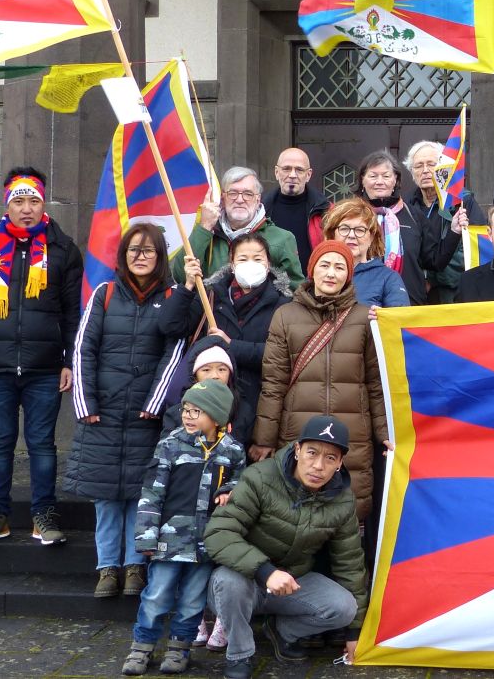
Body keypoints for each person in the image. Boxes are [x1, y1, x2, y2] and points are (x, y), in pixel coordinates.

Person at [0, 167, 83, 547]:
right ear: (7, 204)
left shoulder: (62, 248)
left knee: (42, 444)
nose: (26, 208)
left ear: (44, 202)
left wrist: (69, 361)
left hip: (44, 367)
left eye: (34, 201)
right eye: (19, 201)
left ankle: (44, 515)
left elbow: (72, 313)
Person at [66, 223, 189, 598]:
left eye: (149, 251)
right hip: (102, 414)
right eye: (134, 250)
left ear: (160, 257)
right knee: (106, 499)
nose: (140, 257)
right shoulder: (104, 295)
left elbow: (174, 355)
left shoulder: (171, 298)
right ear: (123, 255)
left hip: (143, 417)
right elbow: (83, 350)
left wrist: (154, 405)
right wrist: (85, 404)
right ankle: (107, 568)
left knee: (140, 495)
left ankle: (136, 565)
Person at [205, 415, 367, 678]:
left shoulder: (342, 500)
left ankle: (282, 632)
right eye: (312, 453)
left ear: (340, 463)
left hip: (294, 583)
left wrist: (354, 632)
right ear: (297, 449)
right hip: (245, 579)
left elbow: (349, 563)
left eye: (330, 458)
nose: (318, 466)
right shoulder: (259, 477)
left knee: (343, 607)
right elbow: (219, 532)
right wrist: (265, 571)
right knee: (227, 582)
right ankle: (239, 654)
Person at [252, 240, 390, 525]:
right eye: (325, 265)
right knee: (295, 514)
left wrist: (385, 432)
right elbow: (273, 383)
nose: (331, 273)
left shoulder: (365, 318)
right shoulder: (285, 316)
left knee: (349, 517)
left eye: (339, 267)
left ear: (348, 275)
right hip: (298, 429)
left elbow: (377, 384)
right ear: (312, 270)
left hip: (353, 435)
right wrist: (264, 439)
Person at [121, 380, 244, 677]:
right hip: (168, 541)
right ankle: (142, 646)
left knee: (192, 601)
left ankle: (180, 649)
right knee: (157, 595)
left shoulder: (232, 451)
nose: (188, 416)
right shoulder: (170, 445)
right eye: (186, 409)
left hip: (205, 545)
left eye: (197, 411)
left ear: (217, 417)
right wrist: (147, 536)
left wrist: (231, 490)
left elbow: (243, 484)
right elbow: (152, 494)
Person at [161, 234, 292, 443]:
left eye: (257, 259)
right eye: (242, 259)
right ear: (232, 264)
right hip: (206, 407)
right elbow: (171, 325)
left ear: (268, 264)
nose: (250, 264)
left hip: (257, 408)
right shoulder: (211, 296)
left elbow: (281, 355)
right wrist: (187, 287)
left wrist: (231, 346)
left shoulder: (283, 305)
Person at [357, 149, 467, 304]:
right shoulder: (350, 216)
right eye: (373, 176)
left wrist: (454, 231)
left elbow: (434, 261)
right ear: (362, 180)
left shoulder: (414, 216)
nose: (379, 181)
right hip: (362, 303)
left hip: (408, 302)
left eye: (386, 176)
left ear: (395, 180)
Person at [171, 166, 304, 290]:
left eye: (248, 194)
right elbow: (180, 276)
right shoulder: (206, 234)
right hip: (212, 313)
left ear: (258, 200)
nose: (240, 200)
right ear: (222, 198)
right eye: (233, 193)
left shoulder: (282, 238)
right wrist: (204, 226)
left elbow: (294, 290)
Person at [402, 140, 485, 304]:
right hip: (414, 293)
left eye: (431, 164)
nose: (425, 171)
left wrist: (431, 278)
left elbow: (475, 247)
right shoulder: (406, 206)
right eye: (418, 166)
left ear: (443, 168)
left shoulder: (462, 202)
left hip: (454, 292)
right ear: (412, 172)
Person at [322, 196, 409, 310]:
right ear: (333, 234)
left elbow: (401, 321)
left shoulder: (388, 278)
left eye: (360, 230)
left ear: (372, 237)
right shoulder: (319, 272)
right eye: (344, 229)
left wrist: (383, 319)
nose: (351, 235)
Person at [262, 148, 331, 267]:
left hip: (314, 283)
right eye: (286, 169)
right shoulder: (259, 211)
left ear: (308, 175)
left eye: (299, 169)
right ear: (276, 172)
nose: (292, 175)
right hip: (270, 284)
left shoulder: (327, 211)